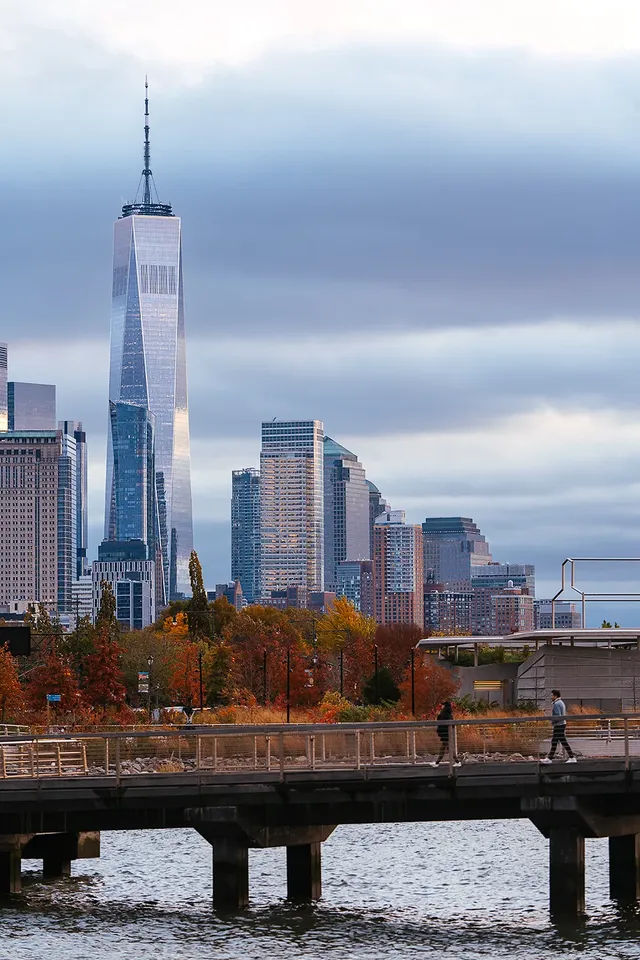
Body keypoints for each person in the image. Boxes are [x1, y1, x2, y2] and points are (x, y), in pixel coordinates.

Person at [540, 689, 576, 764]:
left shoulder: (556, 704)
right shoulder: (561, 703)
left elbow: (557, 716)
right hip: (562, 724)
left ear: (555, 696)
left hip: (558, 725)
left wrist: (552, 721)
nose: (551, 697)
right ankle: (550, 758)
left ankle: (571, 757)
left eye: (552, 695)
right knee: (557, 741)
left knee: (558, 741)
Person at [429, 700, 462, 767]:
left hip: (445, 733)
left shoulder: (444, 713)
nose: (441, 706)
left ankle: (457, 762)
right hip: (447, 733)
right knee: (444, 748)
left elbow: (440, 721)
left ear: (445, 706)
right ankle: (437, 763)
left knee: (448, 748)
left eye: (443, 705)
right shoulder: (448, 713)